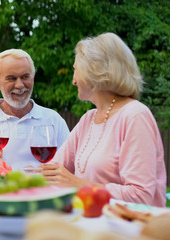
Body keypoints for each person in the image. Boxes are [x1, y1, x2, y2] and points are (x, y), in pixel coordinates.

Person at [41, 32, 166, 207]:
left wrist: (77, 184)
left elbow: (140, 195)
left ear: (94, 70)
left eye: (75, 70)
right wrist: (4, 178)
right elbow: (52, 171)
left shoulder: (135, 115)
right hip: (92, 223)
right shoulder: (88, 119)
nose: (73, 81)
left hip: (130, 228)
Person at [0, 49, 70, 170]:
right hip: (0, 189)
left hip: (43, 188)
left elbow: (70, 168)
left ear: (33, 78)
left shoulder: (54, 119)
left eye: (25, 77)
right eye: (11, 78)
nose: (19, 85)